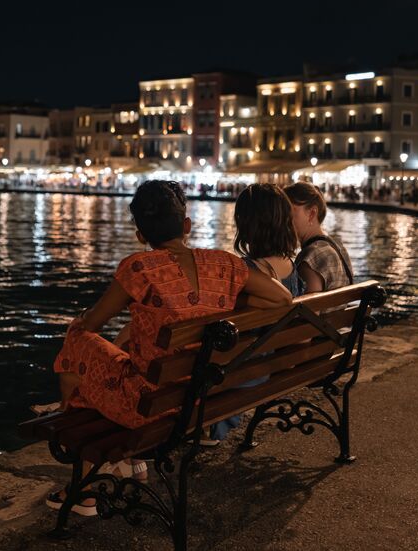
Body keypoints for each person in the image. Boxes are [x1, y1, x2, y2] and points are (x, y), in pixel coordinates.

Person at [47, 180, 292, 515]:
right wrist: (232, 298)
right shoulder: (225, 265)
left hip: (151, 405)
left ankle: (86, 486)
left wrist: (78, 321)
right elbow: (283, 297)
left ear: (140, 235)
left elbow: (92, 324)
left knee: (77, 344)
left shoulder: (138, 268)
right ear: (187, 226)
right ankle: (121, 465)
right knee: (113, 361)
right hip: (201, 396)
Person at [208, 183, 304, 443]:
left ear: (246, 224)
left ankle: (212, 428)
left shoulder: (246, 271)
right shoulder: (291, 267)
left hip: (245, 372)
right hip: (271, 365)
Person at [284, 181, 354, 293]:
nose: (284, 219)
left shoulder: (310, 259)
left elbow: (309, 310)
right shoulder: (338, 246)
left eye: (290, 211)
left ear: (312, 213)